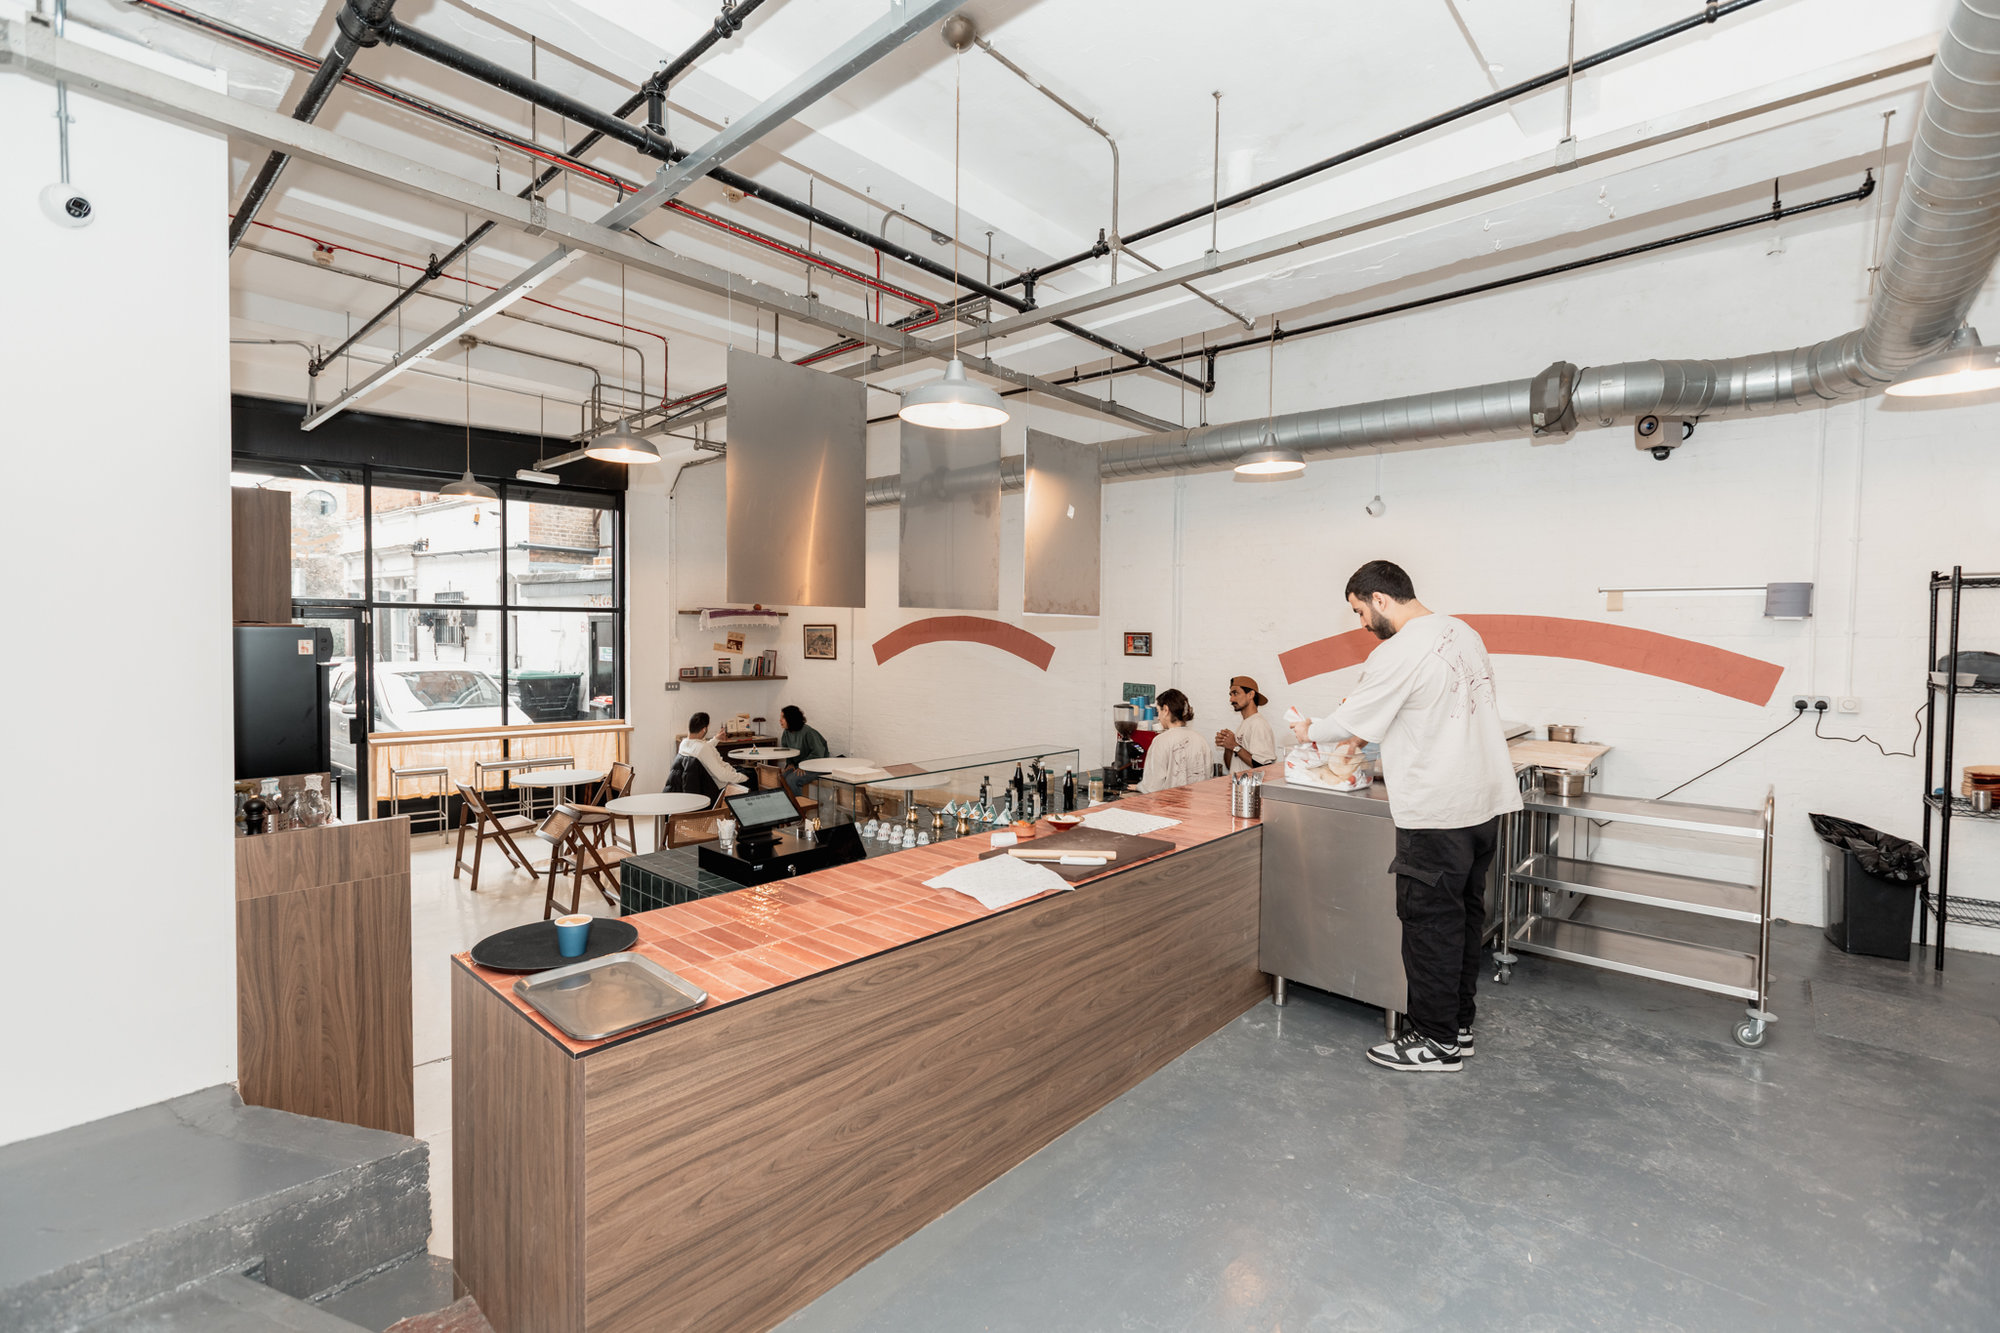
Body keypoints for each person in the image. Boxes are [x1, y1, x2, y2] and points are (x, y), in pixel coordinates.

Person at [1290, 560, 1521, 1073]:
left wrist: (1309, 730)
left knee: (1429, 926)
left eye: (1359, 611)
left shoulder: (1399, 649)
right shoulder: (1462, 633)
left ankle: (1434, 1043)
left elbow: (1348, 718)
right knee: (1463, 919)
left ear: (1379, 599)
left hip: (1437, 811)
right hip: (1482, 806)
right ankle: (1457, 1027)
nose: (1361, 624)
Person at [665, 711, 747, 803]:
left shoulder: (684, 744)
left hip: (711, 782)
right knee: (752, 775)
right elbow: (722, 775)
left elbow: (699, 750)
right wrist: (744, 777)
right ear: (704, 729)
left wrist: (716, 739)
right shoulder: (703, 748)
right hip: (722, 786)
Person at [1137, 689, 1209, 793]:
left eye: (1158, 711)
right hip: (1197, 801)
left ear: (1166, 710)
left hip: (1169, 802)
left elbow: (1152, 786)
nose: (1158, 718)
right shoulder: (1201, 740)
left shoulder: (1161, 741)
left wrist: (1138, 787)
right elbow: (1208, 777)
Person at [1215, 675, 1278, 774]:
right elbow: (1230, 766)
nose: (1231, 699)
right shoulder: (1245, 724)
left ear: (1250, 695)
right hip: (1237, 783)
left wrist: (1234, 746)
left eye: (1235, 693)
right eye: (1230, 695)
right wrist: (1227, 746)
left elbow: (1263, 767)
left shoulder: (1258, 724)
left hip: (1251, 785)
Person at [777, 704, 829, 797]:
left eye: (783, 717)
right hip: (799, 765)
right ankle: (789, 802)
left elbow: (818, 753)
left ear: (791, 718)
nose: (780, 720)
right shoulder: (786, 732)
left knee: (791, 780)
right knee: (782, 777)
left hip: (816, 766)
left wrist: (803, 765)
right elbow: (786, 750)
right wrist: (790, 763)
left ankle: (798, 804)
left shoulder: (808, 732)